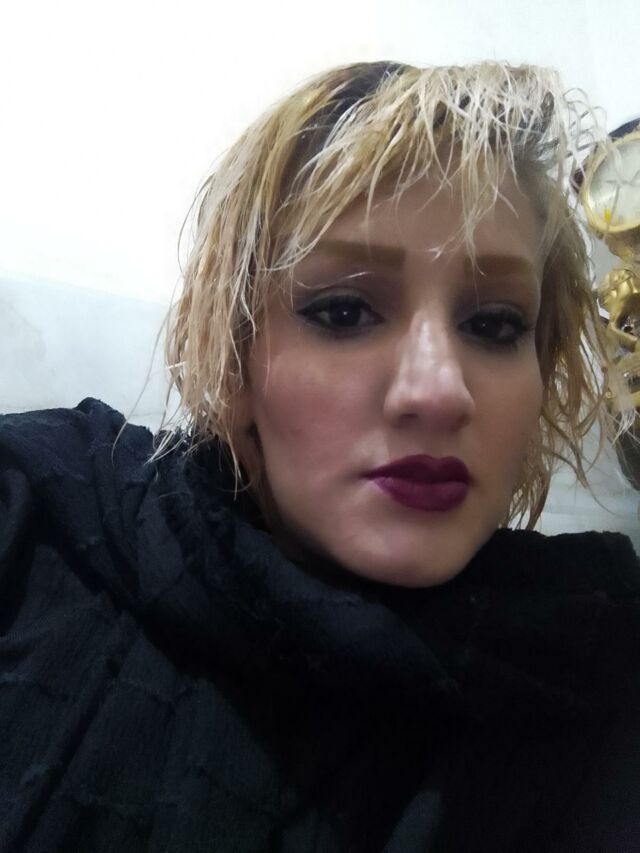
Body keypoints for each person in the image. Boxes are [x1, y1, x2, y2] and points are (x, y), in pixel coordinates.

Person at [1, 61, 640, 853]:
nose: (439, 392)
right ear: (235, 360)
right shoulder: (35, 515)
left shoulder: (600, 665)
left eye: (495, 324)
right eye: (343, 311)